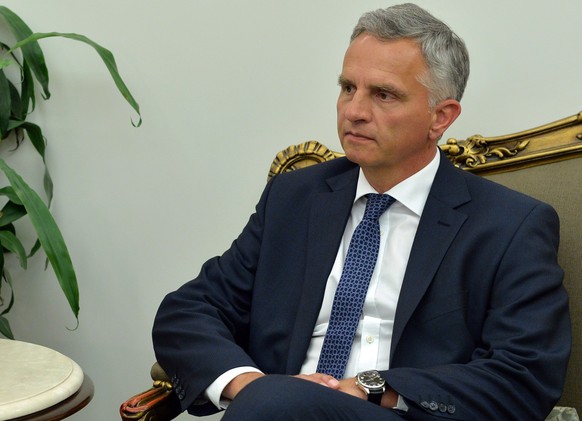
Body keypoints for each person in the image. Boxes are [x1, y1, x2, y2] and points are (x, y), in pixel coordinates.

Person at [152, 3, 571, 420]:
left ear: (440, 117)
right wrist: (249, 385)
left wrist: (374, 389)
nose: (354, 111)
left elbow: (524, 375)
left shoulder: (509, 225)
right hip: (273, 407)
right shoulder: (294, 199)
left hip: (401, 413)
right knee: (274, 401)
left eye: (383, 94)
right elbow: (189, 310)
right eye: (348, 88)